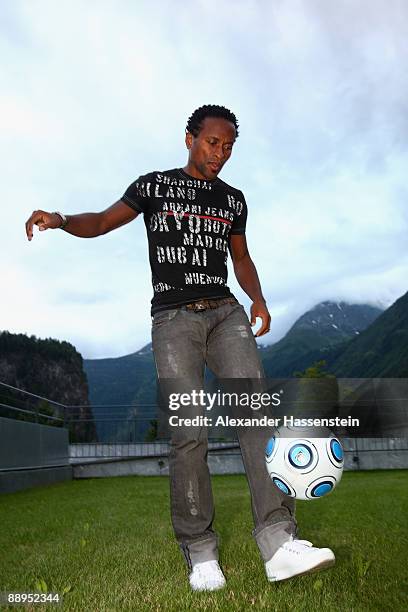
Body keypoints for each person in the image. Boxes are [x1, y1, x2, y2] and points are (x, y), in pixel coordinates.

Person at [25, 104, 335, 591]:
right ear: (188, 138)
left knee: (256, 420)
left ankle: (278, 543)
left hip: (227, 314)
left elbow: (241, 256)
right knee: (189, 433)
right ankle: (201, 551)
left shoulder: (232, 199)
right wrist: (61, 219)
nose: (221, 153)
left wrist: (257, 298)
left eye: (230, 146)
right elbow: (103, 221)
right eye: (213, 143)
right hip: (173, 320)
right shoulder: (153, 186)